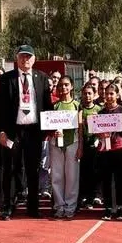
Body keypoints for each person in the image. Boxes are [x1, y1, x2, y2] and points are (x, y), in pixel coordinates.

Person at [0, 45, 53, 220]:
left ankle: (33, 207)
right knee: (11, 169)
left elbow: (47, 105)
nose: (25, 59)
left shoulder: (42, 78)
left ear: (34, 59)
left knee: (33, 170)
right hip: (14, 131)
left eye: (28, 56)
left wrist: (49, 128)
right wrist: (1, 131)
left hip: (34, 131)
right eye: (22, 56)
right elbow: (0, 108)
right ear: (17, 59)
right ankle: (8, 206)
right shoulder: (7, 78)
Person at [96, 83, 122, 220]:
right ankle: (109, 207)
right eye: (107, 93)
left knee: (119, 179)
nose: (109, 96)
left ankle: (121, 207)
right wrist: (100, 136)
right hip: (105, 149)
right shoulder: (101, 112)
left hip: (119, 148)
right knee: (106, 179)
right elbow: (97, 132)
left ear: (117, 95)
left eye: (112, 93)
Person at [49, 75, 81, 219]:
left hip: (72, 143)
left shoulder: (77, 105)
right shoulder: (54, 105)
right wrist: (52, 132)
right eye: (61, 85)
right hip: (56, 144)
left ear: (72, 86)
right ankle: (59, 205)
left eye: (66, 85)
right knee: (56, 176)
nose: (63, 88)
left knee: (72, 176)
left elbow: (80, 128)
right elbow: (47, 124)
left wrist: (80, 146)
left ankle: (70, 206)